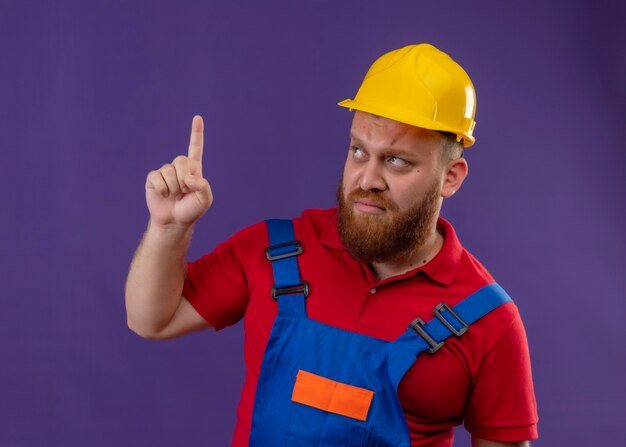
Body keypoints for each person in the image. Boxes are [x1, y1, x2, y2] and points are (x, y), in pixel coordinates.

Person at [125, 44, 538, 447]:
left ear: (451, 176)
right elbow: (152, 320)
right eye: (359, 150)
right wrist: (167, 228)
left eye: (397, 160)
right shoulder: (274, 251)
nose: (367, 179)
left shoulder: (489, 321)